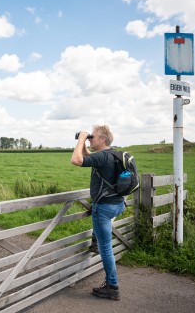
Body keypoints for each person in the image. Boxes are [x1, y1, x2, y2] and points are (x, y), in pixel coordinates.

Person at [70, 125, 124, 301]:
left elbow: (76, 160)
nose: (91, 138)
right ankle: (96, 239)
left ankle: (112, 286)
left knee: (106, 248)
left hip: (104, 207)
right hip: (117, 204)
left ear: (102, 139)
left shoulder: (103, 156)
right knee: (103, 234)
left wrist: (80, 140)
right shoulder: (113, 154)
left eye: (93, 137)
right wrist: (86, 143)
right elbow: (88, 157)